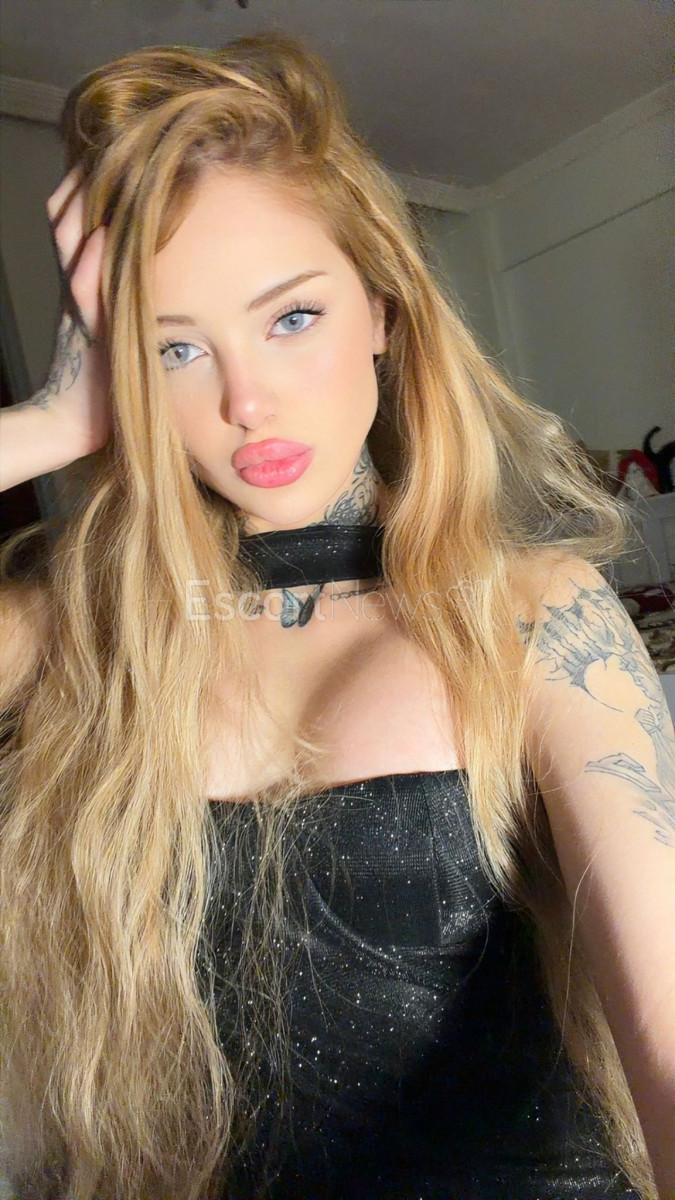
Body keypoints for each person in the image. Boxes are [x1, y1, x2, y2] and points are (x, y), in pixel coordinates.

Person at [0, 32, 673, 1200]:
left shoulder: (531, 614)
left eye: (292, 318)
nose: (246, 400)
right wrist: (50, 425)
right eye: (176, 347)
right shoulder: (80, 638)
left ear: (381, 310)